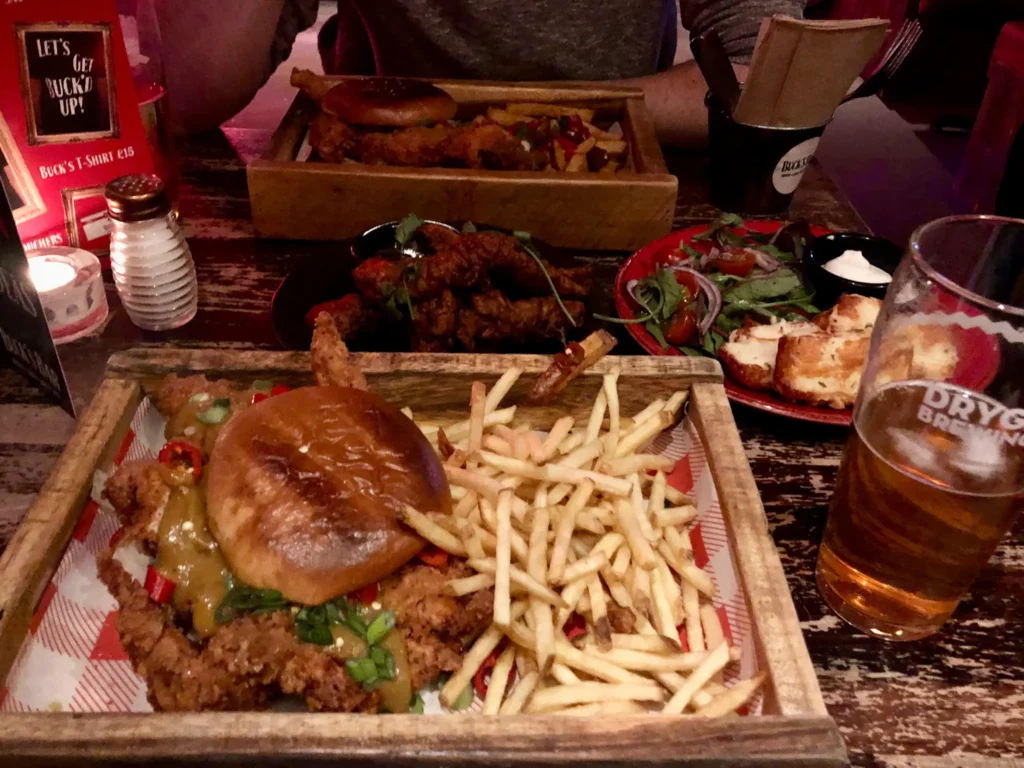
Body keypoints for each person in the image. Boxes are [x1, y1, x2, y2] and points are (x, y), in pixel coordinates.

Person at [157, 0, 804, 145]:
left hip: (617, 170)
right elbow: (187, 92)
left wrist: (540, 118)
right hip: (378, 195)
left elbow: (774, 76)